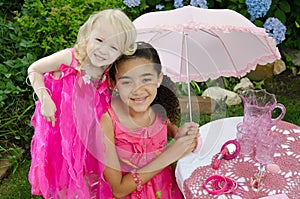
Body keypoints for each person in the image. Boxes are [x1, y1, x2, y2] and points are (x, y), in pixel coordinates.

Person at [27, 9, 137, 198]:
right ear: (88, 35)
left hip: (87, 134)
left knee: (86, 175)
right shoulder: (69, 58)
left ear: (121, 53)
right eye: (99, 41)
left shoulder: (108, 72)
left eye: (113, 48)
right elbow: (34, 69)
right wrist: (45, 99)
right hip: (59, 132)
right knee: (61, 174)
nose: (103, 51)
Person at [101, 41, 200, 198]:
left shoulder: (156, 106)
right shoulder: (106, 120)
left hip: (166, 189)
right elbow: (117, 189)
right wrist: (171, 153)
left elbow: (167, 129)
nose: (138, 90)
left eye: (146, 79)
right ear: (113, 83)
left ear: (159, 79)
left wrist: (180, 134)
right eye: (127, 82)